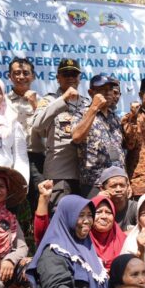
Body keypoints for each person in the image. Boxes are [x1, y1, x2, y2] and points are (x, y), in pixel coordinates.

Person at [33, 58, 90, 207]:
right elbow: (37, 125)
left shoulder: (87, 103)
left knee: (84, 219)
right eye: (66, 74)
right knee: (58, 216)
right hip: (60, 173)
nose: (70, 77)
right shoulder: (49, 100)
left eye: (74, 74)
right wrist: (63, 99)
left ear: (79, 77)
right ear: (58, 78)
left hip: (85, 174)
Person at [72, 74, 124, 198]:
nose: (108, 93)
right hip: (94, 184)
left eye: (110, 90)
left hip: (116, 183)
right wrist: (94, 107)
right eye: (102, 90)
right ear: (91, 92)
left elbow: (120, 152)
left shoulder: (115, 118)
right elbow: (77, 137)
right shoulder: (82, 113)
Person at [7, 57, 45, 212]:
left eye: (25, 73)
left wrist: (35, 104)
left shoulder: (43, 101)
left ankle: (41, 236)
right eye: (16, 73)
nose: (21, 77)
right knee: (10, 202)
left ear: (33, 76)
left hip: (36, 158)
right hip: (10, 157)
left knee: (40, 201)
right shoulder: (3, 101)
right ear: (10, 76)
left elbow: (47, 130)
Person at [96, 166, 138, 231]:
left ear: (127, 187)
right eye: (113, 186)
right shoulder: (98, 209)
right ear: (102, 189)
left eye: (122, 185)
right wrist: (97, 201)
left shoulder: (135, 207)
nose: (118, 189)